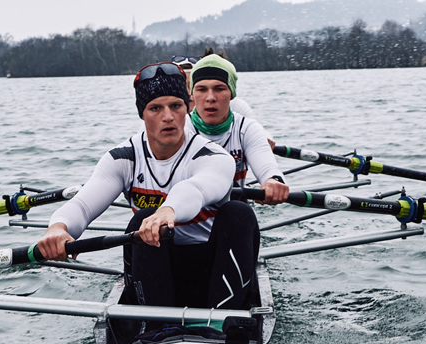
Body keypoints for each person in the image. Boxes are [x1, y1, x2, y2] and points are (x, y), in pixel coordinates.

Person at [36, 62, 260, 313]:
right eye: (155, 108)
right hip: (157, 273)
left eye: (176, 106)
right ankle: (154, 325)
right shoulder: (122, 158)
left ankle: (225, 318)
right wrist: (58, 228)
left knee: (239, 214)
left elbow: (196, 190)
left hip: (218, 273)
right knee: (142, 220)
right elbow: (83, 204)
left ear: (188, 108)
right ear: (142, 113)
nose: (168, 117)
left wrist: (168, 211)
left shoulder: (214, 157)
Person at [186, 52, 289, 204]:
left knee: (238, 211)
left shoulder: (247, 129)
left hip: (233, 216)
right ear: (192, 94)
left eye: (219, 89)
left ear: (232, 94)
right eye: (201, 89)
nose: (210, 98)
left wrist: (272, 181)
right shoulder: (178, 129)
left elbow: (268, 168)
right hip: (187, 215)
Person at [173, 52, 276, 147]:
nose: (187, 93)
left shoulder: (235, 105)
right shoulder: (170, 112)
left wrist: (264, 141)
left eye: (190, 86)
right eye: (182, 86)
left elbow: (257, 129)